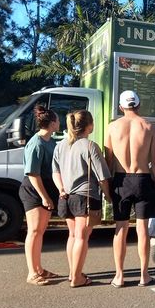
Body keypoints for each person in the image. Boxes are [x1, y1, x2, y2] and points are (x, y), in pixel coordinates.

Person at [104, 90, 155, 288]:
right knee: (142, 229)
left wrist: (108, 183)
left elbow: (108, 159)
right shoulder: (149, 127)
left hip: (121, 180)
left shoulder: (112, 127)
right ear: (138, 106)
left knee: (120, 228)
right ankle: (144, 275)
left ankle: (119, 276)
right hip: (143, 178)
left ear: (121, 107)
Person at [52, 110, 112, 288]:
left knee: (72, 236)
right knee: (82, 238)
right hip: (85, 196)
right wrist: (108, 196)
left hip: (66, 195)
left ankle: (73, 272)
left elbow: (55, 172)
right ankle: (77, 277)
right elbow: (102, 177)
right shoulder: (90, 146)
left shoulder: (60, 145)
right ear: (89, 125)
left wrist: (61, 189)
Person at [19, 105, 61, 286]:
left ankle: (39, 269)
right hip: (34, 190)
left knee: (40, 232)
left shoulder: (50, 141)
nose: (60, 122)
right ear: (52, 123)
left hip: (46, 188)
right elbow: (33, 174)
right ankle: (32, 273)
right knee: (34, 231)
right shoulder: (36, 143)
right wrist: (44, 197)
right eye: (58, 120)